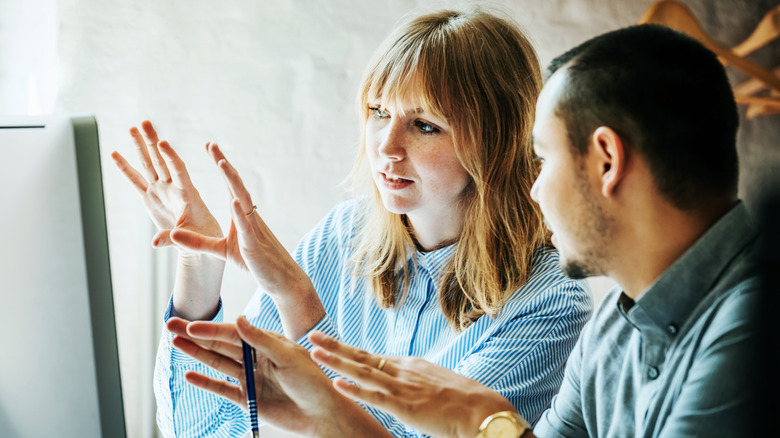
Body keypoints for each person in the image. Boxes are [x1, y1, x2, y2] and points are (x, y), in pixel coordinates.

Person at [112, 8, 592, 437]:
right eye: (378, 112)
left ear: (497, 141)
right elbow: (207, 430)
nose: (385, 146)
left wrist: (298, 300)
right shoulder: (343, 235)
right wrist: (199, 264)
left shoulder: (549, 300)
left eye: (425, 125)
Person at [296, 23, 761, 437]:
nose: (533, 190)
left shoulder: (754, 330)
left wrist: (486, 424)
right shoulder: (613, 328)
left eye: (543, 158)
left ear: (607, 161)